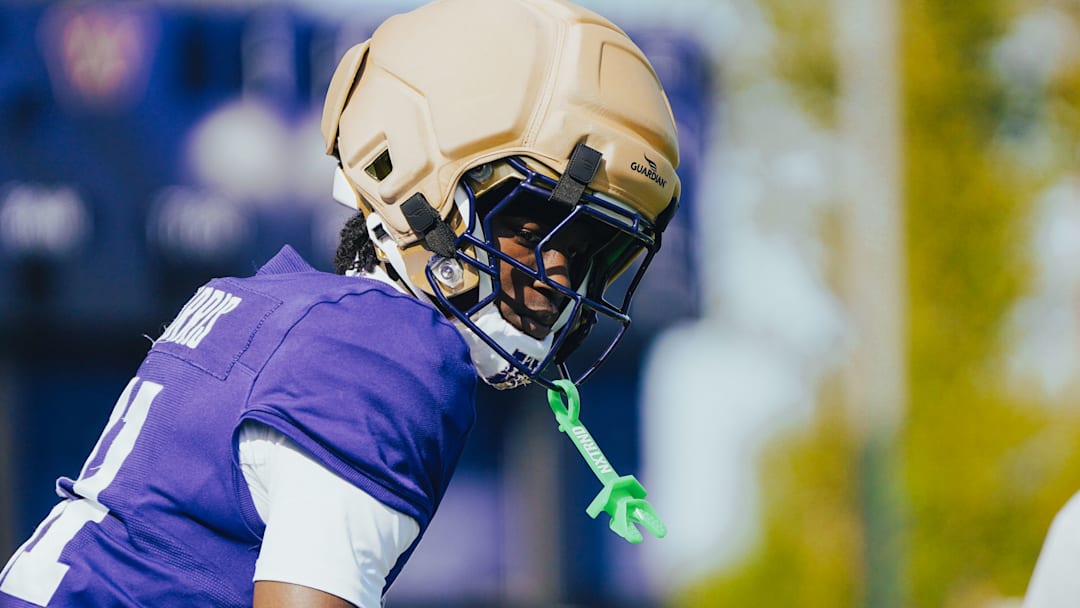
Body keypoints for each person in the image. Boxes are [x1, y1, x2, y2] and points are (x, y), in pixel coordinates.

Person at [0, 0, 681, 605]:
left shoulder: (264, 305)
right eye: (531, 226)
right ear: (409, 169)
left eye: (591, 251)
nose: (557, 279)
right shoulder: (385, 351)